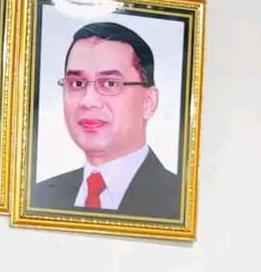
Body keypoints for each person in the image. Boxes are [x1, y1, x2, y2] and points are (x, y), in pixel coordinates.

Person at [31, 21, 181, 220]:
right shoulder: (41, 196)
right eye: (77, 83)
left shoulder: (180, 202)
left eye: (110, 84)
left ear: (148, 102)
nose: (88, 101)